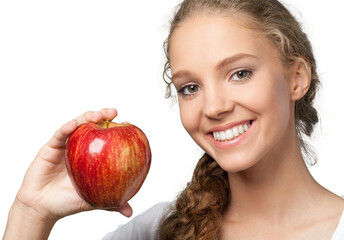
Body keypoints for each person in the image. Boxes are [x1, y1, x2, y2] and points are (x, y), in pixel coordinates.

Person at [3, 0, 344, 239]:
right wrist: (32, 211)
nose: (213, 107)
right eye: (190, 87)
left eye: (240, 73)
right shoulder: (159, 232)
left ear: (297, 78)